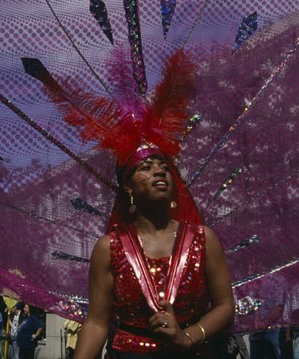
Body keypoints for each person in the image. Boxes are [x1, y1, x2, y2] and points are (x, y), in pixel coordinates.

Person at [73, 146, 235, 358]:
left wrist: (187, 337)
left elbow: (225, 306)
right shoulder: (109, 247)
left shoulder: (204, 239)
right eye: (146, 168)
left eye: (164, 168)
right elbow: (96, 322)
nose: (159, 172)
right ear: (127, 187)